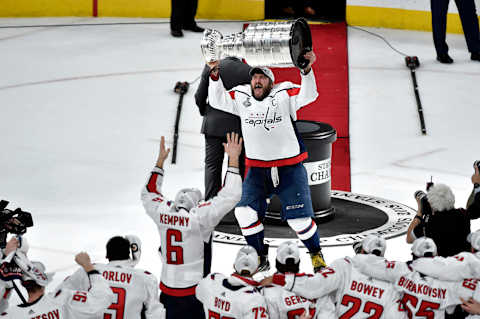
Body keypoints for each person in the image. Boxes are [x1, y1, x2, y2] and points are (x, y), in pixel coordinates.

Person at [207, 51, 326, 272]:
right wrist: (214, 74)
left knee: (299, 221)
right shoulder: (241, 96)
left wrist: (306, 71)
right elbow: (216, 100)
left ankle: (316, 253)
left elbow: (310, 95)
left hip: (289, 168)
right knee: (243, 212)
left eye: (262, 78)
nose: (257, 81)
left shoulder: (284, 93)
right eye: (254, 77)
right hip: (257, 170)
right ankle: (260, 256)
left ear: (271, 82)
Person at [141, 133, 242, 319]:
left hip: (167, 290)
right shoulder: (199, 217)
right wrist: (233, 159)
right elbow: (230, 195)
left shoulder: (163, 212)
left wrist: (160, 162)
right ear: (196, 204)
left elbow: (148, 192)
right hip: (194, 291)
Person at [262, 235, 405, 318]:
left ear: (361, 250)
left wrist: (278, 279)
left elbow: (313, 287)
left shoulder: (344, 265)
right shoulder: (395, 280)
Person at [354, 237, 480, 319]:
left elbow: (369, 266)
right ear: (437, 255)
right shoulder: (452, 283)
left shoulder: (401, 271)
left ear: (413, 255)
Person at [55, 235, 165, 319]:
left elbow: (59, 295)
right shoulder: (146, 278)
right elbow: (155, 314)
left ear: (107, 255)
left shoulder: (89, 270)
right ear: (128, 254)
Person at [195, 57, 251, 201]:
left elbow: (199, 95)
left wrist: (205, 112)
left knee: (212, 166)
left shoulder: (211, 66)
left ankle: (210, 204)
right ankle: (234, 205)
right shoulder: (249, 70)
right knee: (236, 167)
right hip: (237, 128)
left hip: (212, 125)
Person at [1, 251, 114, 318]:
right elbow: (102, 298)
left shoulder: (10, 315)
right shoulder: (62, 299)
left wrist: (6, 290)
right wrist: (88, 266)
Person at [406, 167, 480, 257]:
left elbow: (409, 238)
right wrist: (477, 185)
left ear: (432, 205)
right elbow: (474, 207)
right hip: (464, 262)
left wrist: (420, 212)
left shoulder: (428, 224)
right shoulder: (462, 215)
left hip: (440, 267)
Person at [262, 241, 335, 319]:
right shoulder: (315, 284)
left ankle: (262, 265)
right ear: (298, 263)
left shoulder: (267, 291)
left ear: (277, 263)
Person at [196, 245, 270, 319]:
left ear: (234, 265)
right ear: (256, 270)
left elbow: (198, 296)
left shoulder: (212, 280)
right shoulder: (254, 299)